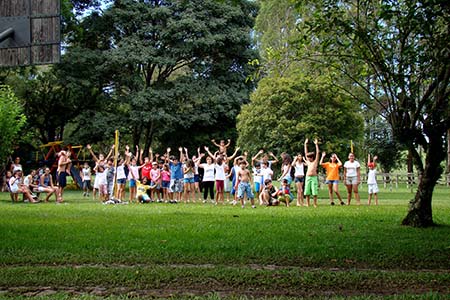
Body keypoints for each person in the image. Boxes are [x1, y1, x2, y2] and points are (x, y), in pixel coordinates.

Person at [304, 138, 320, 207]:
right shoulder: (308, 162)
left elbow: (318, 153)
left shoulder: (315, 162)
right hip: (308, 177)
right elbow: (305, 152)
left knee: (314, 191)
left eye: (309, 157)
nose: (308, 158)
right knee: (307, 191)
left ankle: (315, 203)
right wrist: (305, 144)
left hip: (314, 177)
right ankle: (307, 203)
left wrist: (316, 144)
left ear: (312, 158)